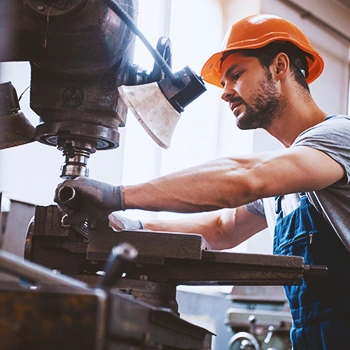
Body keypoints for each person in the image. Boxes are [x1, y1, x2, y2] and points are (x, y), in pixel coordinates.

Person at [54, 14, 350, 349]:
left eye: (235, 75)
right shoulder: (288, 171)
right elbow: (223, 227)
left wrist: (118, 195)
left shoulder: (338, 137)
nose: (225, 93)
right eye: (223, 82)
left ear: (279, 66)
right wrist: (128, 224)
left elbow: (245, 178)